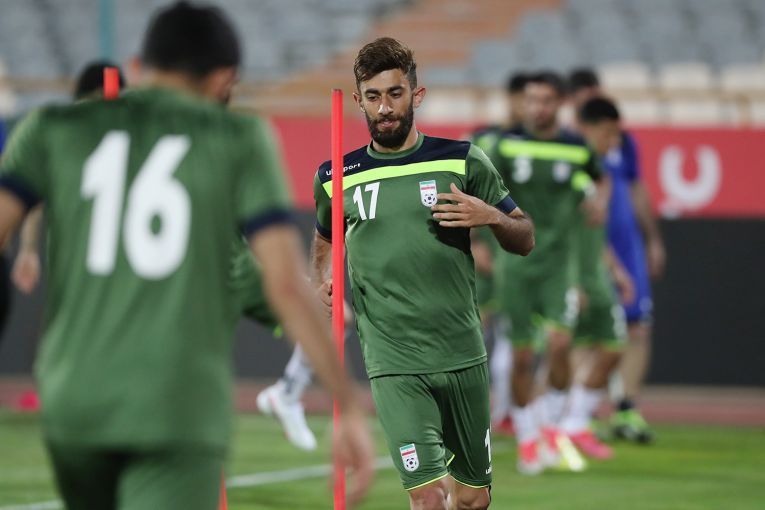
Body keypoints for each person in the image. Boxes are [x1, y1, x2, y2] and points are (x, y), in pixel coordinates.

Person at [0, 3, 374, 509]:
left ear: (137, 69)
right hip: (176, 404)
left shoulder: (49, 129)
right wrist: (346, 404)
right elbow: (283, 283)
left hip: (74, 398)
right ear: (223, 80)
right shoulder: (238, 139)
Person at [312, 38, 534, 510]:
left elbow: (525, 236)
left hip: (461, 351)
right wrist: (322, 278)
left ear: (417, 94)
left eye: (395, 94)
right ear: (358, 101)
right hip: (393, 359)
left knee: (472, 499)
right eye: (373, 97)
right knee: (430, 497)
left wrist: (491, 217)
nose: (384, 108)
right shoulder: (336, 176)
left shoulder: (463, 160)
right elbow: (326, 237)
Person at [489, 71, 609, 475]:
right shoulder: (506, 144)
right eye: (531, 100)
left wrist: (598, 201)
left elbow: (601, 179)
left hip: (559, 264)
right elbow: (481, 187)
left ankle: (553, 426)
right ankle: (527, 437)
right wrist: (478, 241)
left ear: (560, 103)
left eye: (545, 100)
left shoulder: (576, 147)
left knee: (560, 344)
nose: (537, 107)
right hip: (516, 264)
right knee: (522, 355)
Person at [568, 68, 665, 443]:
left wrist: (652, 239)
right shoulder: (570, 148)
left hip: (626, 244)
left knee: (636, 325)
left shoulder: (622, 142)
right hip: (588, 248)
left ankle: (626, 408)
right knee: (585, 332)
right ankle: (583, 412)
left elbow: (636, 187)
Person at [559, 97, 634, 460]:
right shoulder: (568, 168)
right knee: (557, 352)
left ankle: (573, 424)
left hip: (596, 275)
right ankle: (546, 430)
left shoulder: (595, 173)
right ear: (587, 129)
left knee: (613, 346)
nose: (613, 142)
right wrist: (570, 280)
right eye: (608, 133)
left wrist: (616, 269)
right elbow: (558, 232)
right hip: (571, 277)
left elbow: (592, 231)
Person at [12, 61, 127, 295]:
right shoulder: (62, 139)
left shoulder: (132, 139)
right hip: (80, 269)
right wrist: (28, 248)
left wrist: (28, 248)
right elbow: (34, 195)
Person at [469, 71, 529, 436]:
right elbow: (466, 187)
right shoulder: (485, 139)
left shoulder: (539, 145)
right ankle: (475, 407)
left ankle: (507, 408)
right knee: (476, 327)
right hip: (489, 249)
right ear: (511, 100)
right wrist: (474, 241)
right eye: (524, 98)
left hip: (521, 249)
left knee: (519, 335)